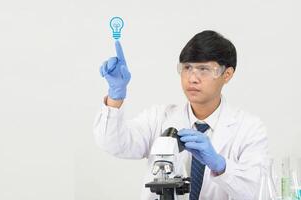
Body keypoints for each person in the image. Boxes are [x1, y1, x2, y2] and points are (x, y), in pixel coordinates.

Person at [94, 30, 269, 200]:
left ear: (227, 74)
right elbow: (112, 143)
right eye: (187, 68)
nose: (192, 78)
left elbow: (258, 192)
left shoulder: (249, 129)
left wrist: (221, 166)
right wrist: (115, 96)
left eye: (203, 69)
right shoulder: (160, 118)